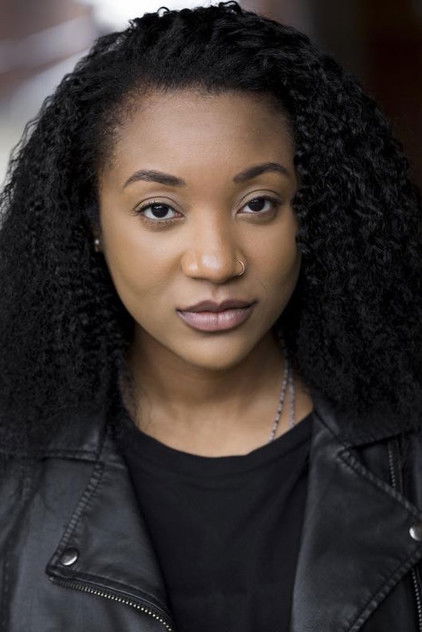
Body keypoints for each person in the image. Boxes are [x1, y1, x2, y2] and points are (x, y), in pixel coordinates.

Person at [0, 1, 421, 630]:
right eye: (160, 210)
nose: (216, 263)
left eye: (258, 203)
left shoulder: (408, 442)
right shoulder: (13, 468)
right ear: (91, 222)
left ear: (313, 209)